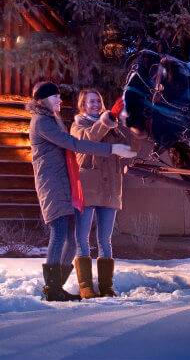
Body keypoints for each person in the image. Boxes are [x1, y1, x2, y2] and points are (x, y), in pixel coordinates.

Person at [29, 81, 136, 302]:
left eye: (59, 96)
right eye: (55, 97)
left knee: (69, 236)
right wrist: (112, 148)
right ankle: (53, 288)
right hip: (54, 183)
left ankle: (58, 286)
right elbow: (75, 144)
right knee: (63, 234)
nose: (59, 100)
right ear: (42, 100)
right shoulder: (43, 122)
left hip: (67, 183)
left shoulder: (52, 120)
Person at [71, 89, 133, 299]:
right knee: (82, 238)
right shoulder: (78, 125)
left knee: (105, 240)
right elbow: (87, 142)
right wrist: (106, 122)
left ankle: (106, 285)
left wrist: (117, 122)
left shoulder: (113, 125)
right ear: (83, 105)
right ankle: (85, 285)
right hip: (87, 187)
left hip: (110, 188)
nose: (96, 104)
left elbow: (127, 148)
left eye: (99, 100)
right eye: (91, 101)